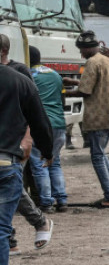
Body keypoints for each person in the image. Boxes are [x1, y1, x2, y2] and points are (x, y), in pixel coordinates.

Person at [0, 58, 53, 265]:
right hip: (5, 161)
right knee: (1, 229)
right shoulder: (20, 81)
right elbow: (39, 120)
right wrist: (47, 149)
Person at [63, 31, 109, 208]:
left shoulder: (92, 62)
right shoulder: (106, 60)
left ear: (88, 48)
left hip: (98, 117)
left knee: (97, 156)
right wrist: (73, 82)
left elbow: (85, 91)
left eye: (82, 50)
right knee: (102, 154)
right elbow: (96, 83)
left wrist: (63, 92)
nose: (81, 54)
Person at [27, 46, 67, 213]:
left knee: (39, 163)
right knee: (55, 162)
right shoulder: (55, 75)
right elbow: (62, 99)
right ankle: (62, 200)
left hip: (40, 124)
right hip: (59, 123)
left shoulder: (27, 76)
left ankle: (46, 202)